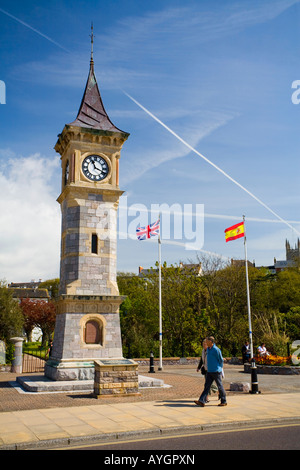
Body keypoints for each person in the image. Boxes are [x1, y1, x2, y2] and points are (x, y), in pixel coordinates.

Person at [194, 336, 227, 407]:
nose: (206, 342)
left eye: (207, 341)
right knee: (207, 386)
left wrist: (220, 368)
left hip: (216, 371)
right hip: (209, 371)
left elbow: (220, 360)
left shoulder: (216, 349)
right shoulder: (208, 349)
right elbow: (203, 360)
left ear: (211, 342)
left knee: (219, 386)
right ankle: (202, 401)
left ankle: (224, 401)